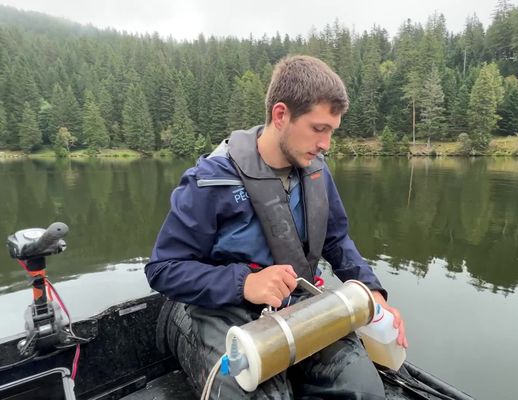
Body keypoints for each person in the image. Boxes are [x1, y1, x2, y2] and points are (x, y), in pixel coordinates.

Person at [145, 55, 408, 399]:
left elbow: (336, 238)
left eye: (331, 131)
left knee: (362, 389)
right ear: (281, 115)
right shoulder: (209, 181)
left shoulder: (316, 169)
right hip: (225, 307)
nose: (326, 144)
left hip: (297, 302)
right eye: (318, 129)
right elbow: (163, 269)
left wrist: (372, 291)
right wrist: (246, 283)